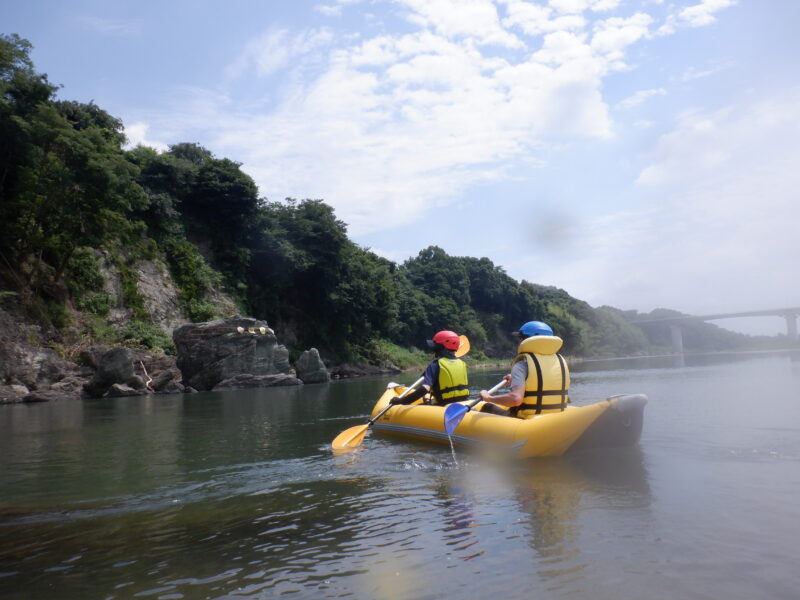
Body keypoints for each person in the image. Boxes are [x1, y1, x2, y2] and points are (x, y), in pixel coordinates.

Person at [478, 320, 570, 418]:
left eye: (520, 338)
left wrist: (488, 398)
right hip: (556, 416)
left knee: (487, 407)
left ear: (525, 339)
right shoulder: (560, 361)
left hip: (527, 418)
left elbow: (515, 399)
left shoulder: (522, 364)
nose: (519, 341)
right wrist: (517, 379)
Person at [390, 330, 470, 406]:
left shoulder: (435, 365)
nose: (433, 350)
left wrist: (401, 401)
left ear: (440, 348)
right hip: (463, 403)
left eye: (435, 347)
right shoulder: (462, 363)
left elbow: (424, 389)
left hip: (444, 405)